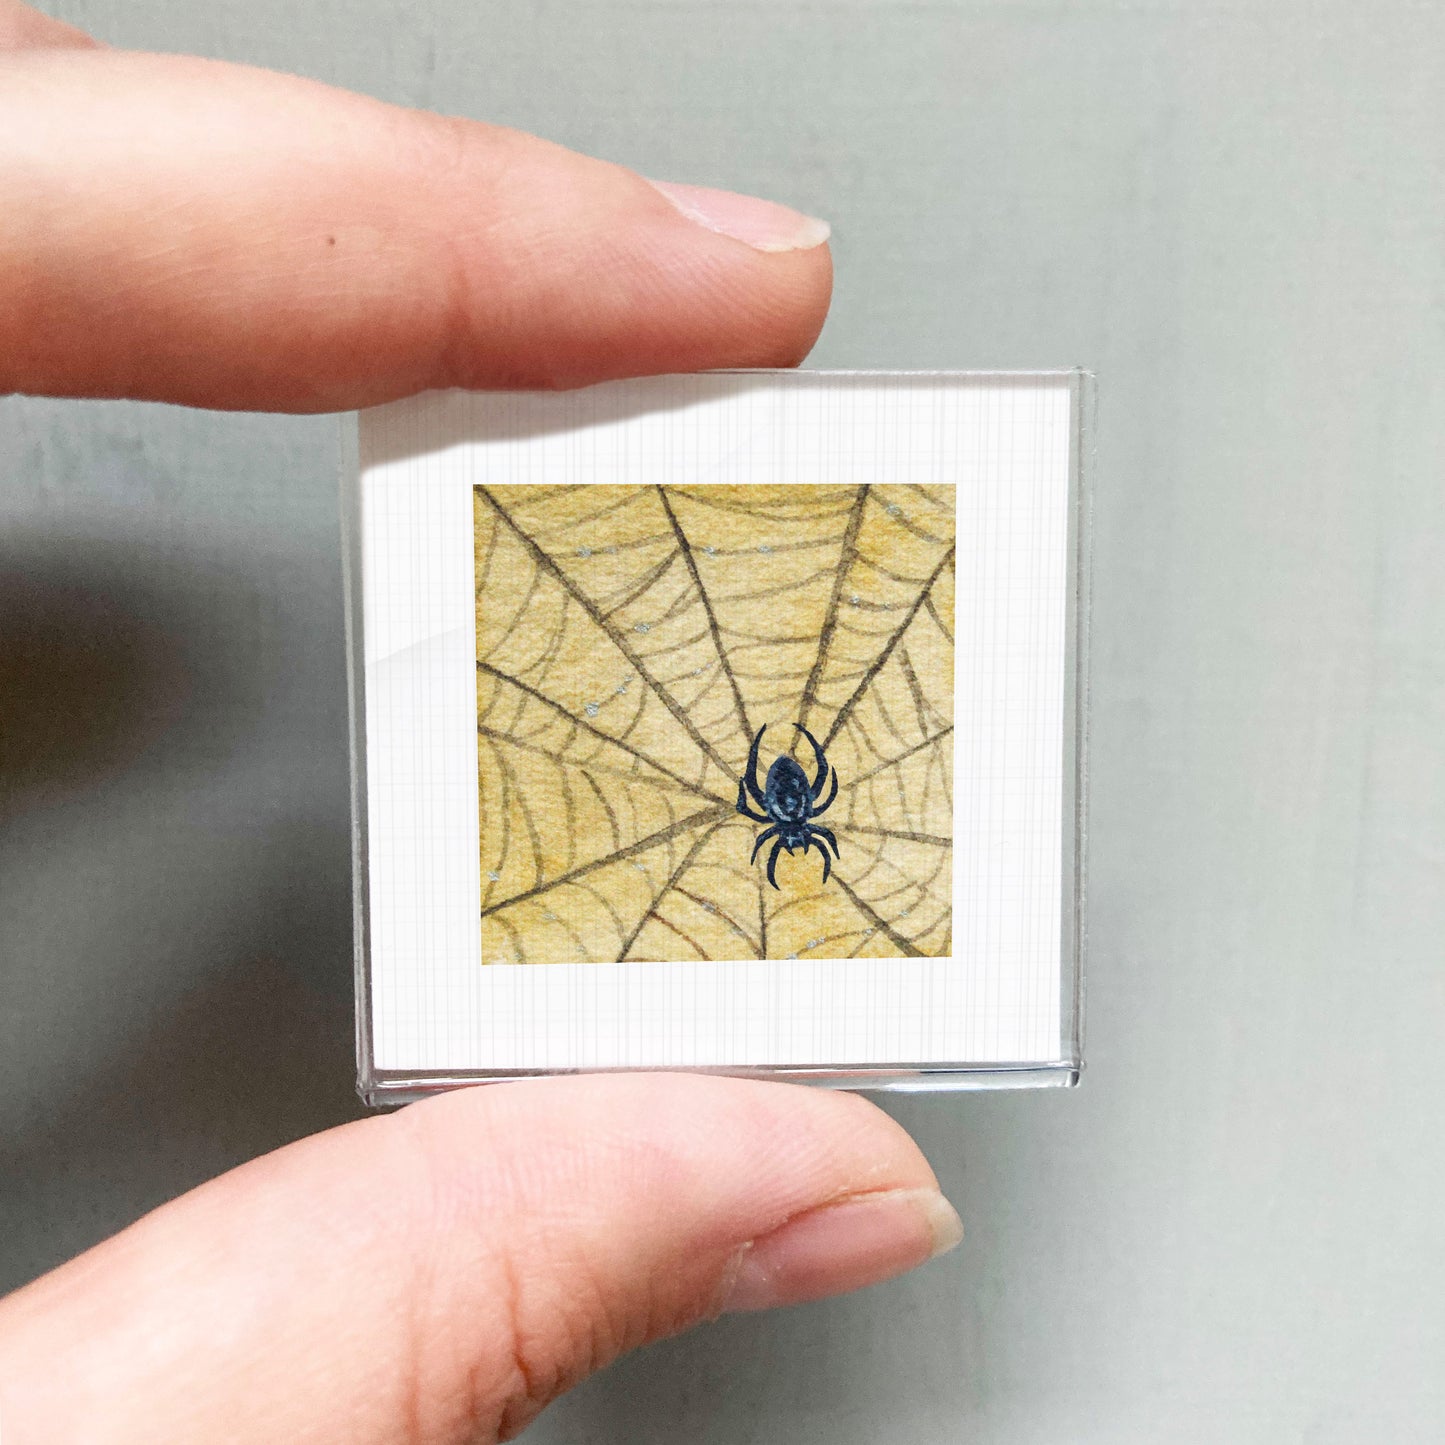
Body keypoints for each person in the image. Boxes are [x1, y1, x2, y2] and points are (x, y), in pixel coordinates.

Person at [0, 5, 962, 1439]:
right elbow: (785, 788)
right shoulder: (776, 798)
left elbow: (793, 788)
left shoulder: (787, 802)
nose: (782, 812)